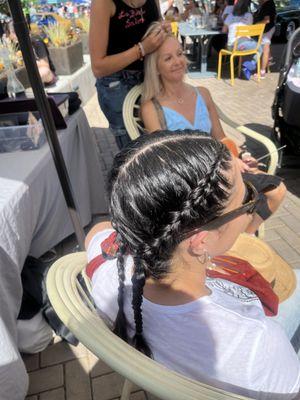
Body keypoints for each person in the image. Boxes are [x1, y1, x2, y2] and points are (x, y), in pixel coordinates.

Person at [86, 131, 300, 399]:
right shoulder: (257, 344)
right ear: (201, 241)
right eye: (247, 198)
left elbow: (97, 230)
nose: (251, 206)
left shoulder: (109, 274)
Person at [140, 24, 286, 234]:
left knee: (277, 191)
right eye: (168, 58)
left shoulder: (203, 94)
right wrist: (225, 163)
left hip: (222, 170)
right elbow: (165, 160)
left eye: (179, 54)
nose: (177, 61)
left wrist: (241, 155)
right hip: (191, 183)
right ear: (155, 67)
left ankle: (240, 240)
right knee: (246, 201)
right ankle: (235, 241)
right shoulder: (151, 107)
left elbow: (220, 137)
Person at [89, 0, 167, 150]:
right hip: (117, 85)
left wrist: (161, 32)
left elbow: (156, 26)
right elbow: (98, 67)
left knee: (159, 141)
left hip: (151, 78)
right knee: (135, 152)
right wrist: (142, 49)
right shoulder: (103, 3)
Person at [221, 0, 261, 80]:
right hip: (243, 44)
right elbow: (249, 30)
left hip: (231, 46)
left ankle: (246, 67)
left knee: (255, 48)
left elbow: (223, 31)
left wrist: (231, 28)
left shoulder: (230, 16)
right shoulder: (249, 15)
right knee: (259, 48)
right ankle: (248, 66)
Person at [253, 0, 276, 79]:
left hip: (267, 30)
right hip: (267, 29)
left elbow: (267, 20)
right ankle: (269, 60)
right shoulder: (265, 4)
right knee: (266, 49)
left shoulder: (267, 4)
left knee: (265, 49)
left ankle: (262, 72)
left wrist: (255, 25)